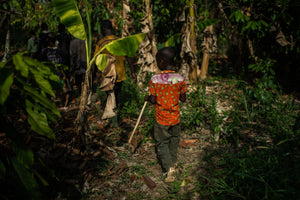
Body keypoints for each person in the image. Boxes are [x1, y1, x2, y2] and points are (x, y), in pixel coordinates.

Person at [144, 47, 187, 183]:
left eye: (157, 61)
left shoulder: (155, 79)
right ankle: (173, 162)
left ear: (162, 62)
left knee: (162, 142)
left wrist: (147, 98)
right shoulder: (180, 78)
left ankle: (168, 169)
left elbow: (154, 100)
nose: (157, 63)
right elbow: (183, 98)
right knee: (174, 140)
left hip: (161, 118)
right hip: (175, 117)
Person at [94, 20, 136, 127]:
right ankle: (116, 117)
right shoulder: (119, 40)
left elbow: (96, 60)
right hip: (119, 73)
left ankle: (113, 121)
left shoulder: (101, 43)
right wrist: (132, 71)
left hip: (108, 75)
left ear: (103, 29)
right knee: (117, 95)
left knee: (110, 97)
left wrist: (95, 75)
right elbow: (128, 57)